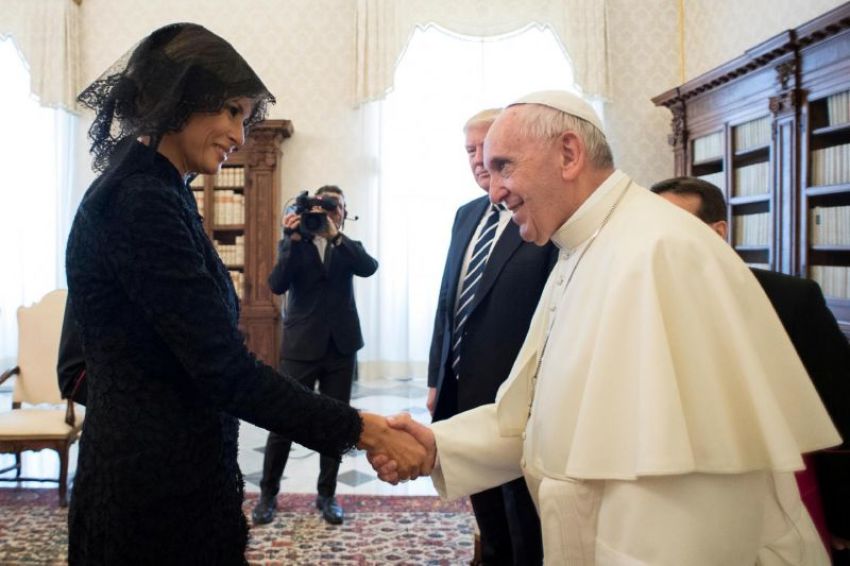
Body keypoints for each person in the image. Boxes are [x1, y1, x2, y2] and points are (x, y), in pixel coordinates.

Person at [371, 90, 841, 564]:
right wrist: (441, 445)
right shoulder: (581, 246)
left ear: (569, 154)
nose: (494, 192)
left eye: (505, 167)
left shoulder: (660, 251)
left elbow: (679, 497)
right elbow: (549, 417)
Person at [65, 23, 423, 565]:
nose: (238, 132)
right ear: (181, 98)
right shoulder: (141, 200)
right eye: (231, 110)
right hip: (151, 494)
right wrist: (363, 429)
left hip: (170, 471)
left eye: (246, 115)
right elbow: (224, 371)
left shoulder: (159, 187)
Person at [650, 176, 850, 564]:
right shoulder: (648, 299)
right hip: (689, 494)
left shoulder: (791, 298)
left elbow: (839, 407)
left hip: (783, 484)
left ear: (718, 231)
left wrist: (843, 514)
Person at [427, 108, 552, 564]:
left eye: (487, 149)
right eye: (469, 151)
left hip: (516, 402)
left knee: (525, 524)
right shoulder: (466, 215)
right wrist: (436, 377)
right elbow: (449, 302)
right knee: (488, 519)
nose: (479, 160)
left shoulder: (541, 217)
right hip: (462, 392)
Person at [252, 185, 378, 526]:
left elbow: (369, 267)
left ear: (343, 211)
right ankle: (267, 495)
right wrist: (290, 240)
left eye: (336, 206)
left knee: (335, 427)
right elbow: (277, 285)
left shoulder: (348, 247)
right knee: (282, 422)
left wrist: (336, 236)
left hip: (340, 347)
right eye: (324, 206)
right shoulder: (295, 242)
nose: (329, 212)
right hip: (301, 347)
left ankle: (327, 496)